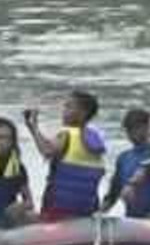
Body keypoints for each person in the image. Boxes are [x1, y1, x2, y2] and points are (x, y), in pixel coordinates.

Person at [24, 90, 106, 219]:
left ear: (82, 113)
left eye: (69, 107)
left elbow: (47, 151)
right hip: (86, 210)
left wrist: (34, 127)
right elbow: (57, 147)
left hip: (59, 210)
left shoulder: (66, 134)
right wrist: (33, 129)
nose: (64, 110)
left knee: (17, 214)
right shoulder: (96, 139)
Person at [102, 108, 150, 220]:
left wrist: (131, 185)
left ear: (147, 128)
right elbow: (113, 192)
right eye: (130, 129)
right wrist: (100, 211)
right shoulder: (123, 158)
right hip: (133, 220)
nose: (133, 133)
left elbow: (145, 168)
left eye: (138, 128)